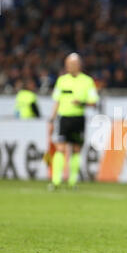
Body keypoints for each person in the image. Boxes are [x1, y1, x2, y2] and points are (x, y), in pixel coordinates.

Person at [48, 53, 99, 190]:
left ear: (79, 65)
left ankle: (72, 182)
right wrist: (52, 119)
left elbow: (94, 102)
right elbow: (56, 101)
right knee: (60, 148)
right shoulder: (62, 80)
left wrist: (82, 102)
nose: (69, 66)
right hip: (64, 118)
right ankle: (56, 181)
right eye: (68, 64)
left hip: (78, 118)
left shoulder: (87, 81)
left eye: (72, 64)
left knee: (76, 150)